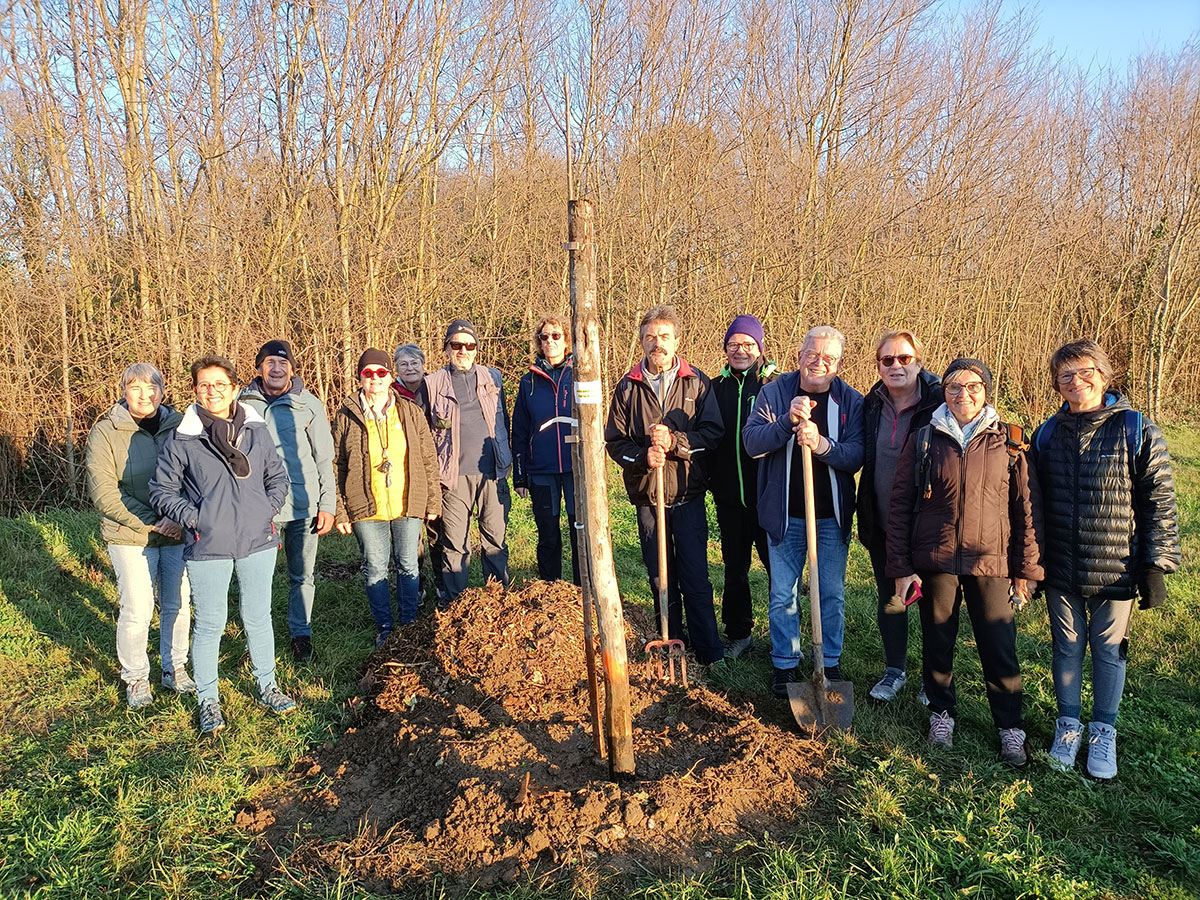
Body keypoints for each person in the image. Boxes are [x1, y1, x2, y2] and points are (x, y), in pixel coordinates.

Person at [1030, 339, 1180, 779]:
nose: (1077, 382)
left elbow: (1160, 501)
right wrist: (1030, 566)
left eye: (1085, 372)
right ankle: (1069, 726)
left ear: (1104, 375)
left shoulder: (1136, 429)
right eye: (1065, 376)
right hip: (1060, 565)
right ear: (1057, 383)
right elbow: (1032, 503)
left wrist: (1155, 565)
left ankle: (1103, 732)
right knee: (1067, 648)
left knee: (1110, 652)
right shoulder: (1047, 433)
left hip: (1116, 565)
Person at [887, 358, 1043, 767]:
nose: (963, 395)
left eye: (973, 386)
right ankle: (942, 714)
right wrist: (902, 566)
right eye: (954, 387)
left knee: (999, 646)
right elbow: (901, 503)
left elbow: (1026, 511)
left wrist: (1025, 571)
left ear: (986, 390)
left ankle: (1010, 726)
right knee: (938, 642)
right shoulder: (924, 438)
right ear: (944, 392)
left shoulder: (1010, 441)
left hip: (991, 561)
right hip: (935, 559)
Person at [150, 354, 294, 736]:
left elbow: (277, 476)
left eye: (219, 384)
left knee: (258, 617)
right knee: (210, 624)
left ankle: (268, 686)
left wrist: (267, 511)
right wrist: (196, 519)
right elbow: (161, 490)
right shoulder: (184, 435)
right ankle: (208, 701)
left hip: (257, 541)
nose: (211, 392)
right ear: (195, 390)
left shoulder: (256, 428)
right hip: (208, 544)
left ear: (234, 388)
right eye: (203, 385)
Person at [743, 326, 864, 698]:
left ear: (839, 364)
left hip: (831, 518)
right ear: (799, 356)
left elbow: (858, 453)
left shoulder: (850, 401)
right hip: (784, 517)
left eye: (828, 358)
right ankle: (785, 663)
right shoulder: (775, 392)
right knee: (783, 593)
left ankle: (828, 660)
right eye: (812, 355)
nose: (819, 362)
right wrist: (785, 423)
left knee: (830, 592)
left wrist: (823, 445)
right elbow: (751, 443)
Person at [605, 305, 725, 667]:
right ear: (641, 342)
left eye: (664, 336)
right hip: (649, 498)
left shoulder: (697, 382)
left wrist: (676, 443)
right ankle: (669, 640)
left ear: (677, 341)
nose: (657, 343)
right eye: (650, 337)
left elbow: (713, 435)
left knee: (695, 574)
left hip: (687, 494)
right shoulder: (628, 387)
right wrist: (643, 458)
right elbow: (615, 441)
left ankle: (707, 651)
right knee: (660, 575)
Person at [85, 363, 192, 708]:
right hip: (129, 534)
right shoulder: (106, 432)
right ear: (123, 392)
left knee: (178, 603)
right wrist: (154, 520)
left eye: (152, 388)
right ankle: (136, 677)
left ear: (162, 391)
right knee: (138, 608)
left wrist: (177, 518)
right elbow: (104, 492)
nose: (144, 395)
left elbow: (196, 477)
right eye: (135, 388)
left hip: (177, 532)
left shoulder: (181, 427)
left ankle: (175, 667)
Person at [333, 349, 442, 647]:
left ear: (390, 377)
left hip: (408, 501)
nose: (375, 379)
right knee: (376, 567)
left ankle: (408, 624)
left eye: (381, 373)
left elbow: (428, 457)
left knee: (409, 563)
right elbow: (336, 464)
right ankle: (384, 627)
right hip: (366, 505)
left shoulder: (409, 411)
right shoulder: (346, 415)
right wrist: (340, 511)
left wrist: (433, 501)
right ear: (360, 378)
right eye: (368, 374)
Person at [857, 330, 943, 703]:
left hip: (927, 519)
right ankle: (895, 670)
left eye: (904, 359)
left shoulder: (939, 401)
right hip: (882, 517)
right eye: (887, 360)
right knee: (892, 596)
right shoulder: (870, 404)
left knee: (932, 601)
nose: (896, 366)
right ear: (878, 366)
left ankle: (933, 676)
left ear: (918, 362)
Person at [240, 340, 336, 663]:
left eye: (283, 364)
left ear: (292, 369)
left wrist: (328, 505)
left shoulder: (308, 405)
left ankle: (301, 635)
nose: (277, 369)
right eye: (269, 363)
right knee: (256, 578)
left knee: (302, 575)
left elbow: (324, 459)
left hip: (303, 505)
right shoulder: (243, 405)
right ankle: (255, 637)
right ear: (260, 369)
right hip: (260, 507)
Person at [425, 319, 512, 603]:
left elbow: (505, 424)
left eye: (470, 345)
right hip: (452, 477)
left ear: (477, 349)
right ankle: (455, 606)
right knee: (454, 546)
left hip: (491, 474)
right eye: (457, 344)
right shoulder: (432, 384)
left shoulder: (493, 378)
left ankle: (497, 603)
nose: (463, 350)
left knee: (494, 542)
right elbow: (425, 434)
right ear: (447, 347)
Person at [709, 314, 777, 658]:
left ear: (760, 348)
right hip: (729, 497)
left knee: (778, 571)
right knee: (734, 569)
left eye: (748, 344)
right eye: (734, 344)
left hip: (768, 499)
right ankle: (738, 633)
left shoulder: (775, 386)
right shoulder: (714, 388)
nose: (740, 350)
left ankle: (784, 638)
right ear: (725, 348)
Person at [512, 314, 580, 584]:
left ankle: (581, 591)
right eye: (544, 337)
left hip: (576, 469)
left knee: (580, 533)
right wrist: (519, 476)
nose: (550, 341)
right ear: (538, 343)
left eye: (556, 336)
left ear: (566, 340)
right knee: (548, 534)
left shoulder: (579, 375)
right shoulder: (527, 382)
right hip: (541, 470)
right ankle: (550, 590)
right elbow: (519, 430)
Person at [394, 342, 445, 605]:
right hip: (405, 472)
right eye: (404, 364)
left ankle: (441, 584)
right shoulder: (391, 394)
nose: (410, 368)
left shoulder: (436, 387)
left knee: (437, 531)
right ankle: (415, 587)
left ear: (424, 366)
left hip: (436, 469)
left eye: (415, 363)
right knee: (410, 536)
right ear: (396, 369)